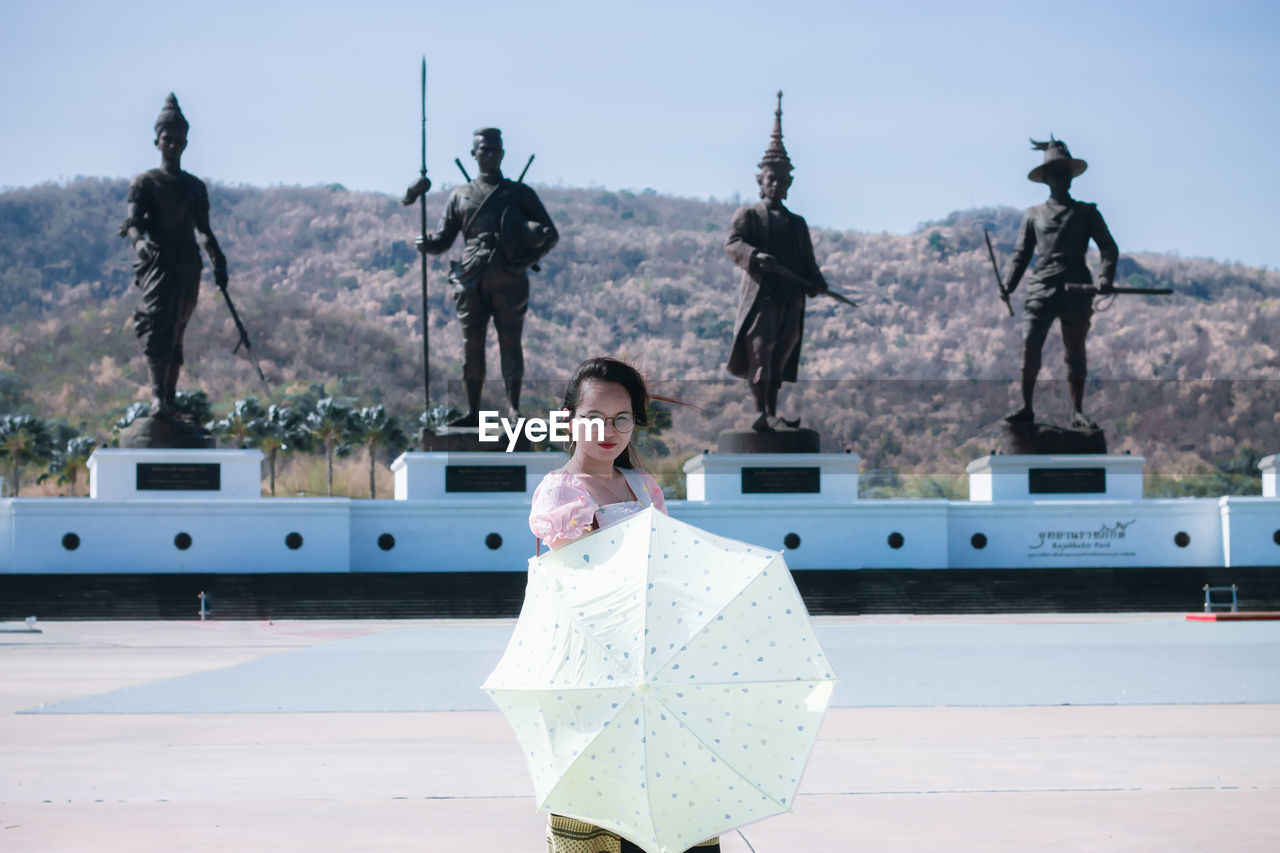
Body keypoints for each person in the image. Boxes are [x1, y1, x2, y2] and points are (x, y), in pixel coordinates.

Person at [528, 356, 719, 853]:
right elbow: (580, 578)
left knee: (672, 795)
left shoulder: (645, 486)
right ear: (570, 418)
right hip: (596, 664)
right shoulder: (558, 492)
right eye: (594, 417)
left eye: (622, 418)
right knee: (605, 805)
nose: (608, 431)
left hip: (655, 657)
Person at [416, 127, 558, 425]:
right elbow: (444, 239)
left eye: (496, 150)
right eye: (484, 150)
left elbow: (550, 235)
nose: (490, 155)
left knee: (510, 343)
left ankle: (514, 409)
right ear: (474, 154)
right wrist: (427, 244)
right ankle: (473, 411)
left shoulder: (519, 194)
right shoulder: (460, 196)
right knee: (472, 345)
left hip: (510, 279)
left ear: (503, 154)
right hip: (471, 278)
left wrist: (526, 261)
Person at [119, 93, 228, 417]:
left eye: (179, 140)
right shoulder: (145, 183)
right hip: (158, 263)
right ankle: (157, 398)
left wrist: (218, 262)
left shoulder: (194, 187)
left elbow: (204, 231)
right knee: (158, 327)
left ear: (186, 142)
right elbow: (133, 225)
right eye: (168, 139)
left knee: (177, 330)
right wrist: (140, 243)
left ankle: (169, 397)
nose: (173, 144)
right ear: (157, 141)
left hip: (187, 264)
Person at [725, 91, 828, 431]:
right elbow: (733, 243)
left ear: (789, 183)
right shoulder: (750, 214)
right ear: (761, 180)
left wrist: (816, 282)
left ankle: (772, 409)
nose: (776, 184)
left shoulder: (796, 223)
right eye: (771, 179)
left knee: (782, 354)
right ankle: (761, 412)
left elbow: (808, 263)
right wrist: (755, 256)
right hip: (762, 298)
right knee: (761, 355)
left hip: (789, 298)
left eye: (782, 180)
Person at [1002, 136, 1118, 429]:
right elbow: (1020, 255)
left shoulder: (1086, 213)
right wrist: (1009, 285)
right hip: (1042, 287)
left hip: (1077, 289)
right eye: (1055, 174)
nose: (1061, 179)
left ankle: (1077, 411)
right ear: (1047, 179)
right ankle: (1026, 407)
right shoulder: (1033, 216)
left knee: (1075, 352)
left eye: (1065, 173)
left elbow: (1109, 247)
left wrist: (1105, 278)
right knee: (1030, 346)